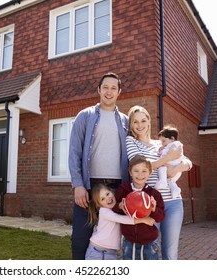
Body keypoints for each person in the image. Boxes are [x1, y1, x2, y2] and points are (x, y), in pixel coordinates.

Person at [68, 72, 130, 260]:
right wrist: (78, 185)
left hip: (117, 186)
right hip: (89, 186)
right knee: (80, 236)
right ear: (99, 90)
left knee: (113, 240)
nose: (109, 92)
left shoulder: (125, 121)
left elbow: (136, 150)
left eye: (113, 88)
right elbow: (74, 152)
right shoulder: (85, 116)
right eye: (105, 87)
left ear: (119, 92)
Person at [126, 105, 192, 260]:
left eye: (143, 120)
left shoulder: (160, 143)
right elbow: (140, 165)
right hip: (148, 204)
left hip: (173, 203)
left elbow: (187, 162)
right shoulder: (130, 141)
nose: (140, 125)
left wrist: (176, 169)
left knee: (170, 254)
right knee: (151, 251)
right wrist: (168, 158)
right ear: (130, 124)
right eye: (135, 122)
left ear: (149, 121)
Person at [113, 155, 165, 260]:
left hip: (150, 241)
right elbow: (113, 207)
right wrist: (120, 206)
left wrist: (154, 209)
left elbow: (161, 217)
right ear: (130, 172)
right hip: (129, 240)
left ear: (150, 172)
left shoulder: (154, 194)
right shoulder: (124, 189)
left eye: (144, 171)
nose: (140, 174)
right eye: (136, 171)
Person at [86, 183, 155, 260]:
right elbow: (121, 219)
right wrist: (143, 220)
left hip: (110, 253)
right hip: (97, 251)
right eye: (102, 199)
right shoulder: (104, 211)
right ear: (98, 204)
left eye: (107, 194)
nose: (108, 198)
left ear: (111, 192)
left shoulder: (116, 209)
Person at [155, 125, 185, 198]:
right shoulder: (177, 144)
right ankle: (175, 190)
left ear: (172, 138)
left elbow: (168, 154)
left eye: (163, 141)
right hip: (177, 171)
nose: (162, 143)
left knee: (161, 167)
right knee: (171, 182)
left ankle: (162, 181)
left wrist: (160, 151)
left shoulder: (173, 145)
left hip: (171, 166)